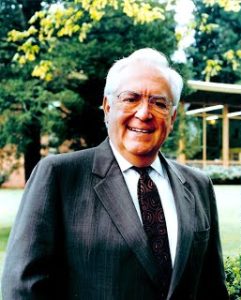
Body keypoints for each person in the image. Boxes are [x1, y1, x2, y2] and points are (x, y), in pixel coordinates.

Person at [1, 48, 229, 300]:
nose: (144, 113)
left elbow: (212, 289)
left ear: (172, 117)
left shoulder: (198, 186)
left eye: (159, 103)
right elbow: (22, 290)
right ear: (108, 107)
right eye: (130, 98)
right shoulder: (59, 176)